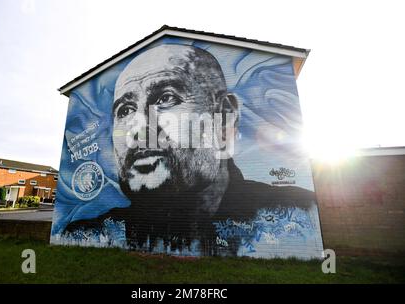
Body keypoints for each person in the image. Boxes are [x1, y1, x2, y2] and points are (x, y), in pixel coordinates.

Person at [65, 44, 315, 255]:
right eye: (125, 110)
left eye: (166, 98)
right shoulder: (88, 235)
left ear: (224, 119)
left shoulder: (297, 214)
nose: (138, 129)